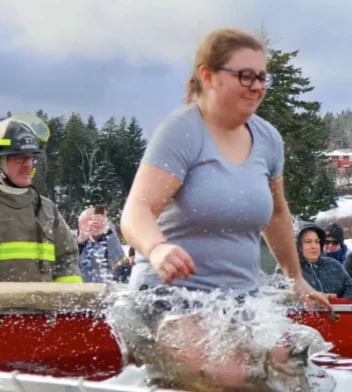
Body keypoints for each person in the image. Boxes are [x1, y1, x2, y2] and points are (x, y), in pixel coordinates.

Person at [118, 28, 330, 389]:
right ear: (208, 76)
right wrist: (156, 248)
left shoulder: (267, 139)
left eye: (263, 77)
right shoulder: (182, 132)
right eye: (245, 75)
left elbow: (278, 214)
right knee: (227, 374)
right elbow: (135, 210)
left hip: (239, 301)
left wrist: (295, 278)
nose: (257, 86)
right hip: (169, 299)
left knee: (293, 361)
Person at [0, 114, 81, 283]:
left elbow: (67, 260)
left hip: (35, 309)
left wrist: (69, 303)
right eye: (19, 158)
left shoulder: (46, 210)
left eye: (30, 158)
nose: (28, 165)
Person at [77, 205, 129, 283]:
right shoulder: (73, 240)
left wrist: (108, 231)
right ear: (81, 223)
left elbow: (119, 259)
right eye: (91, 219)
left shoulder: (108, 240)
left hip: (103, 289)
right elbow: (68, 263)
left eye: (100, 220)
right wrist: (80, 243)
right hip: (81, 290)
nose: (95, 222)